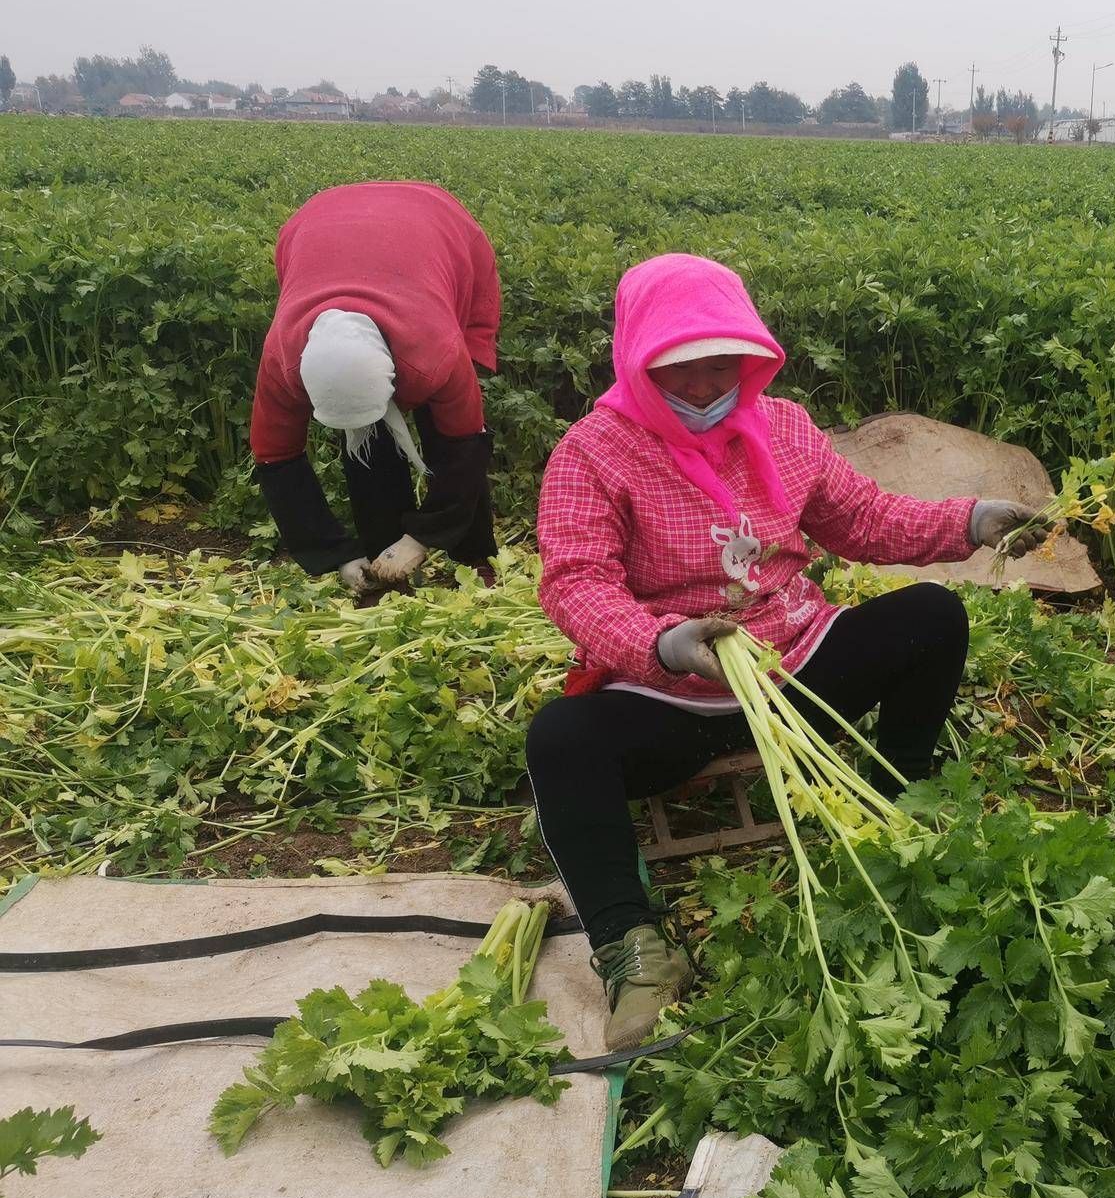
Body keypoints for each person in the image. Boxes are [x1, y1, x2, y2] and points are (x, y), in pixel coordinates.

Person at [526, 253, 1039, 1049]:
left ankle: (903, 794)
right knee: (560, 740)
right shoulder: (594, 452)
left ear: (752, 357)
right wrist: (661, 642)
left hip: (794, 660)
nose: (703, 387)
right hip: (674, 689)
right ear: (638, 358)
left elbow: (864, 519)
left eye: (721, 365)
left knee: (933, 617)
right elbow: (575, 583)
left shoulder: (785, 428)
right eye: (679, 370)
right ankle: (633, 945)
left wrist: (966, 523)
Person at [249, 181, 501, 594]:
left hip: (442, 229)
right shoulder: (282, 361)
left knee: (444, 432)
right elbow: (277, 461)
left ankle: (472, 557)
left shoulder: (435, 351)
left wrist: (425, 536)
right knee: (367, 440)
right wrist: (336, 554)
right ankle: (381, 561)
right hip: (314, 229)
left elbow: (466, 442)